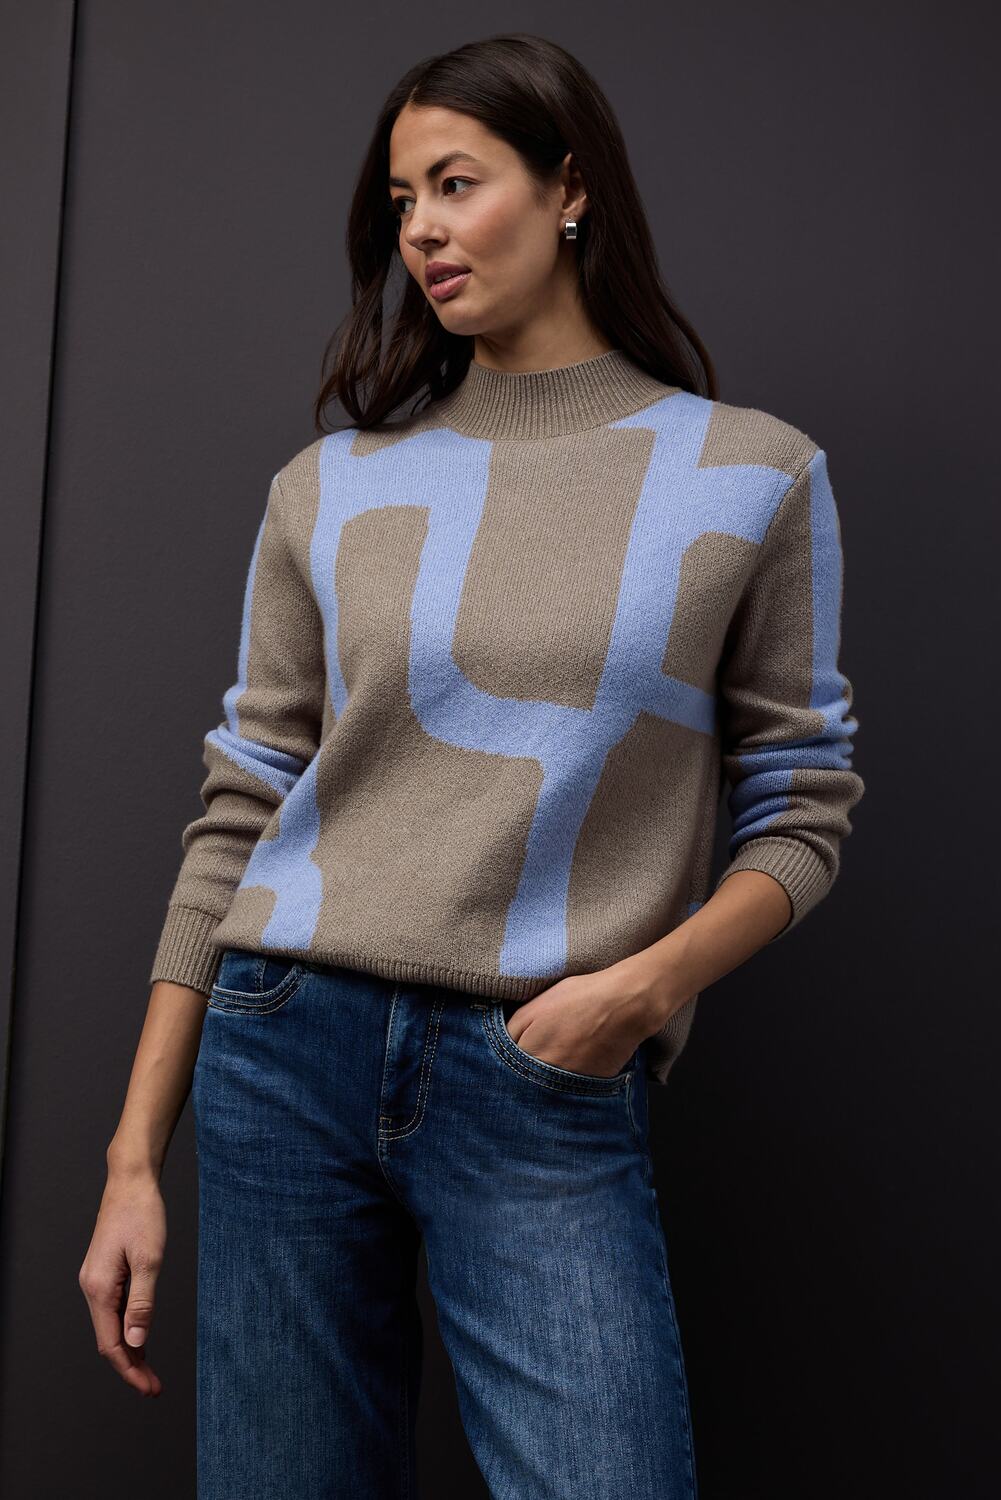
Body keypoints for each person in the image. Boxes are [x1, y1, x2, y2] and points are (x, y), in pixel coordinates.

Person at [78, 31, 865, 1500]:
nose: (422, 231)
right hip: (283, 1044)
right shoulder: (332, 486)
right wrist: (134, 1159)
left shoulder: (752, 474)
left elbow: (801, 814)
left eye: (456, 183)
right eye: (401, 202)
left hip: (542, 1064)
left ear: (570, 189)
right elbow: (241, 808)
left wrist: (641, 993)